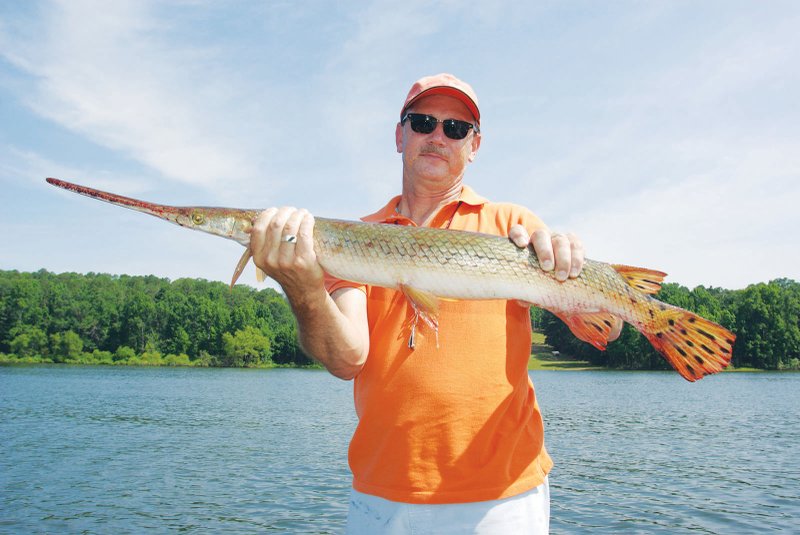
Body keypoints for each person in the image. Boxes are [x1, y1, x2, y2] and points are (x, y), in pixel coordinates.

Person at [250, 74, 606, 534]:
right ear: (400, 135)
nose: (438, 136)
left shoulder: (514, 226)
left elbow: (603, 330)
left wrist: (572, 267)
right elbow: (346, 358)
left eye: (456, 129)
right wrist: (303, 288)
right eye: (423, 122)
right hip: (382, 499)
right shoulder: (354, 239)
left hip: (503, 499)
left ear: (474, 146)